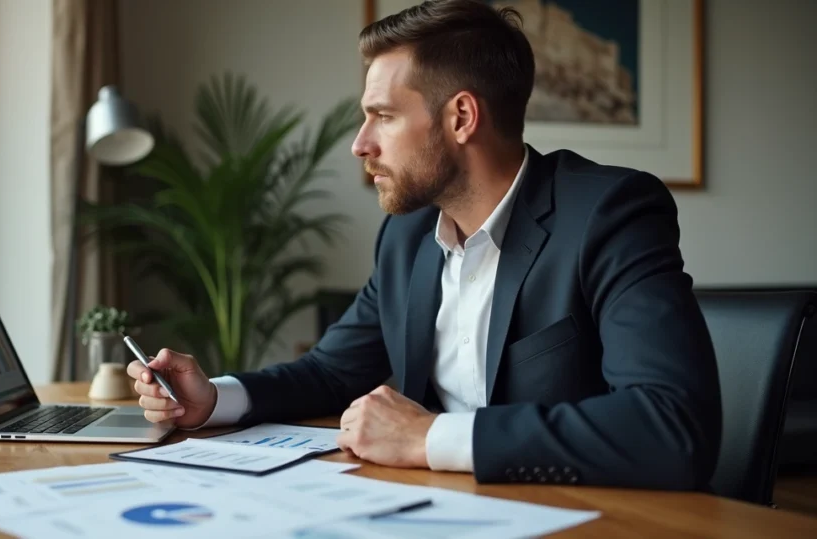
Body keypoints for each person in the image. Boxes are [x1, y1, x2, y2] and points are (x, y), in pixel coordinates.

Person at [128, 0, 722, 491]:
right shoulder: (407, 235)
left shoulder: (609, 213)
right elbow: (331, 371)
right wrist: (214, 400)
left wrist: (426, 437)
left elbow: (670, 425)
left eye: (382, 116)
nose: (360, 144)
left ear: (461, 117)